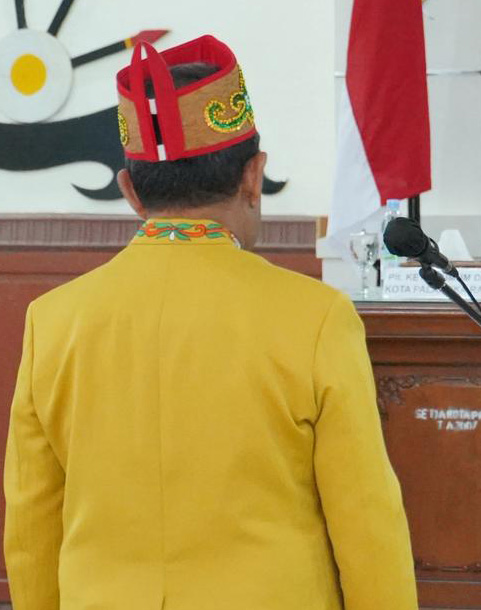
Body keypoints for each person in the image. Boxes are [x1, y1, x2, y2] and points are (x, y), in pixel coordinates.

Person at [4, 35, 418, 610]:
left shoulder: (53, 321)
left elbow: (31, 522)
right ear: (254, 176)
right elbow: (367, 520)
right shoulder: (316, 317)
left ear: (130, 191)